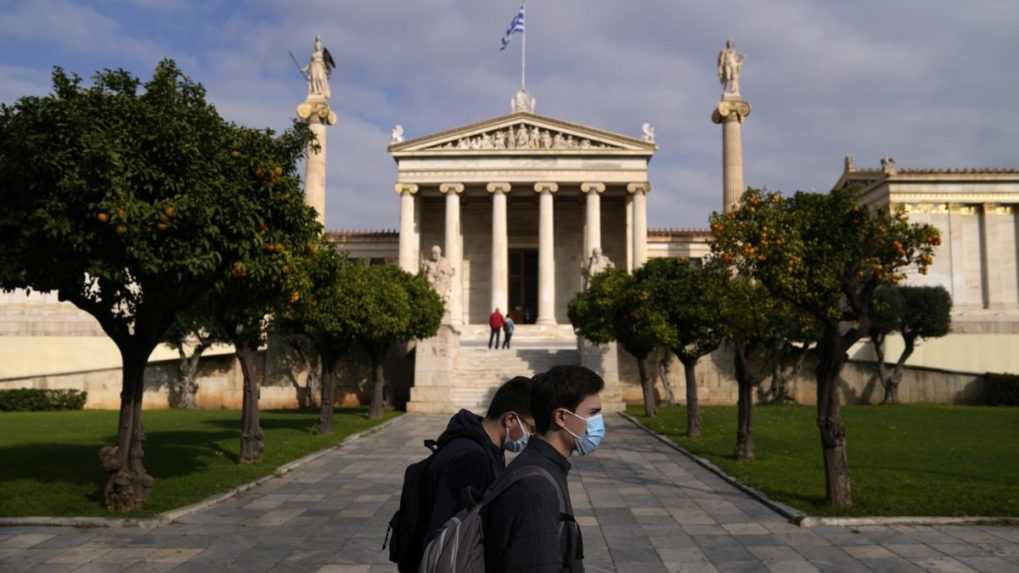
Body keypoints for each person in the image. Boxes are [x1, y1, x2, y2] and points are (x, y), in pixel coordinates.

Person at [484, 365, 605, 573]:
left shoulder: (545, 467)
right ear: (560, 417)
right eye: (593, 413)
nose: (599, 423)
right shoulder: (535, 487)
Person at [423, 376, 535, 544]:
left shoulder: (490, 448)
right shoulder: (470, 459)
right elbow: (448, 534)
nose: (531, 436)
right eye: (531, 428)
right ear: (510, 420)